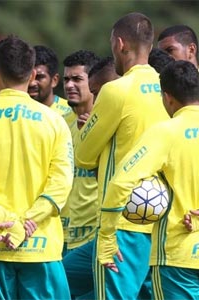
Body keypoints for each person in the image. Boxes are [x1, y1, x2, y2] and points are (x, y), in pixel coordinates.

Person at [0, 35, 74, 299]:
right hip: (41, 245)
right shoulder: (54, 121)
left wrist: (1, 219)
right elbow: (62, 183)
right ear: (32, 75)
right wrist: (26, 223)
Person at [74, 12, 169, 300]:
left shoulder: (116, 90)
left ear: (119, 44)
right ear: (150, 47)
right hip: (161, 216)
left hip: (122, 220)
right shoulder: (169, 88)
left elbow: (83, 155)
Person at [97, 60, 199, 299]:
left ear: (167, 97)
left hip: (178, 256)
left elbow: (121, 182)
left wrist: (106, 237)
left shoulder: (166, 132)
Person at [59, 50, 100, 299]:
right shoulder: (59, 124)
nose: (70, 85)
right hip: (64, 237)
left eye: (77, 79)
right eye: (66, 80)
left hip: (96, 235)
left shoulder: (106, 121)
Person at [28, 45, 73, 121]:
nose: (32, 83)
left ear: (54, 80)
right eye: (28, 77)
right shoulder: (13, 112)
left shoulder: (70, 112)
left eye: (39, 77)